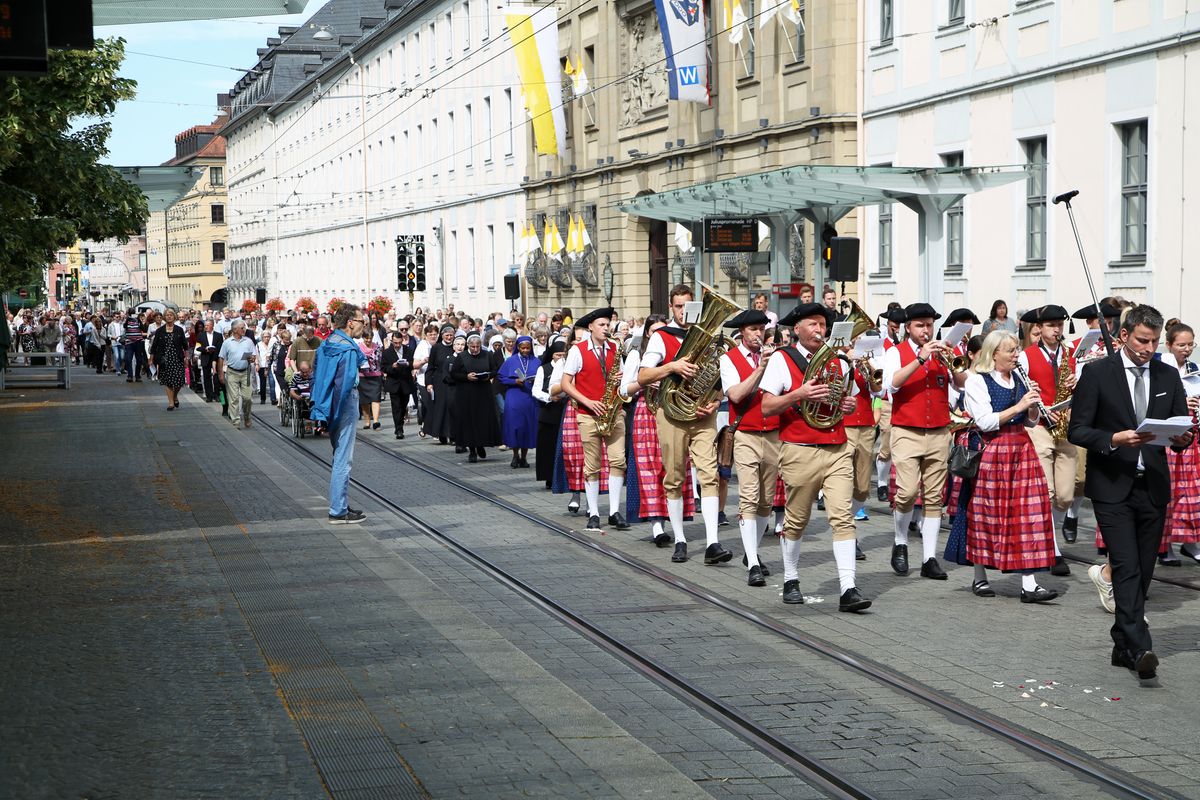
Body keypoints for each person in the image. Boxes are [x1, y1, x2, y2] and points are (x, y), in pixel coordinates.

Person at [1069, 305, 1193, 683]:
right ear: (1123, 336)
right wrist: (1112, 439)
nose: (1149, 348)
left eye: (1155, 341)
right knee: (1125, 566)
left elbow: (1178, 432)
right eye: (1142, 340)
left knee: (1143, 570)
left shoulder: (1168, 374)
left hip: (1152, 485)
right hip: (1112, 485)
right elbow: (1077, 430)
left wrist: (1185, 437)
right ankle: (1140, 646)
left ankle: (1122, 645)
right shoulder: (1097, 374)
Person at [760, 302, 871, 612]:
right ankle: (791, 578)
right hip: (799, 449)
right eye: (813, 324)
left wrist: (846, 406)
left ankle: (848, 587)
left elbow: (842, 401)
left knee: (843, 517)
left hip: (836, 446)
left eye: (823, 325)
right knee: (796, 519)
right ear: (797, 329)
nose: (820, 330)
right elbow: (768, 407)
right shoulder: (783, 359)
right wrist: (799, 395)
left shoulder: (839, 362)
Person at [957, 330, 1059, 602]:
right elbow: (986, 421)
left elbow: (1030, 423)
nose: (1016, 354)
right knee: (987, 514)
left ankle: (1029, 584)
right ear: (994, 354)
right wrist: (1020, 405)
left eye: (1016, 349)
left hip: (1022, 449)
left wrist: (1035, 406)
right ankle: (980, 576)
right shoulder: (978, 381)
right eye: (1011, 350)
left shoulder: (1020, 379)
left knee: (1028, 514)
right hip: (994, 451)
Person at [638, 284, 731, 565]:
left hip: (702, 415)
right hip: (671, 415)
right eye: (678, 306)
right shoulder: (661, 338)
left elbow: (721, 377)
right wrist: (673, 367)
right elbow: (643, 376)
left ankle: (713, 542)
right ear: (672, 308)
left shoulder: (710, 339)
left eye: (688, 306)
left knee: (710, 475)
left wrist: (716, 401)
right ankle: (680, 538)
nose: (683, 311)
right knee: (675, 478)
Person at [881, 303, 969, 580]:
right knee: (906, 493)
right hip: (907, 430)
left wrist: (952, 361)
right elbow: (891, 384)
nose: (926, 330)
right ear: (908, 327)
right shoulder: (896, 352)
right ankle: (900, 541)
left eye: (929, 325)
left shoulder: (943, 352)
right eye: (920, 325)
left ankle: (930, 558)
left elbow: (963, 383)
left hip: (939, 430)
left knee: (934, 497)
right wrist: (920, 359)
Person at [718, 308, 779, 587]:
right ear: (742, 332)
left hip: (774, 434)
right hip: (745, 434)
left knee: (767, 501)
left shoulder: (776, 355)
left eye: (762, 329)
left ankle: (750, 552)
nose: (759, 334)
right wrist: (761, 369)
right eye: (753, 329)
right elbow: (736, 395)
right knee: (749, 498)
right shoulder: (728, 359)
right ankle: (753, 563)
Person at [1017, 305, 1077, 567]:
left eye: (1060, 325)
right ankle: (1053, 549)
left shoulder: (1072, 354)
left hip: (1065, 428)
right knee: (1047, 491)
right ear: (1039, 328)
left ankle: (1048, 537)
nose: (1057, 329)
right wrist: (1039, 406)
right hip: (1039, 427)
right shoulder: (1026, 356)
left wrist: (1078, 383)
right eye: (1051, 325)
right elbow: (1022, 390)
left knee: (1065, 495)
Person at [561, 308, 629, 531]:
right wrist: (588, 402)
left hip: (613, 412)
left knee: (618, 461)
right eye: (601, 325)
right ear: (590, 327)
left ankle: (614, 511)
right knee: (592, 466)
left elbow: (624, 382)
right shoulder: (578, 351)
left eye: (608, 325)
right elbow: (565, 384)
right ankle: (593, 512)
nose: (606, 328)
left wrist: (621, 380)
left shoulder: (615, 348)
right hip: (588, 414)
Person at [310, 305, 369, 523]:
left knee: (339, 456)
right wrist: (334, 413)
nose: (364, 325)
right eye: (362, 321)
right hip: (343, 404)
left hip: (328, 404)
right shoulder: (348, 349)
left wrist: (322, 411)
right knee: (344, 459)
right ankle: (338, 510)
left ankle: (341, 503)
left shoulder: (327, 343)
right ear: (351, 322)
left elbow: (318, 376)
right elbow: (343, 386)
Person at [1160, 322, 1200, 564]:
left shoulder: (1194, 368)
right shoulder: (1162, 368)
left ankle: (1190, 541)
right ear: (1169, 345)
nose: (1187, 349)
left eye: (1190, 344)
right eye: (1181, 345)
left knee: (1191, 494)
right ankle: (1165, 547)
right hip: (1169, 438)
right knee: (1169, 493)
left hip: (1191, 437)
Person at [450, 332, 502, 463]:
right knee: (469, 422)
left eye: (477, 347)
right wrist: (466, 377)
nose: (474, 349)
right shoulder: (462, 357)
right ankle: (472, 450)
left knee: (482, 421)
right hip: (466, 394)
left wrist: (488, 376)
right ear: (468, 346)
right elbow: (454, 373)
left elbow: (495, 370)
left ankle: (481, 445)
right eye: (472, 347)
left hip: (483, 393)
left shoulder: (487, 355)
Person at [498, 334, 539, 470]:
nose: (525, 350)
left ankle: (524, 457)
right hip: (514, 396)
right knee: (515, 427)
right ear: (518, 347)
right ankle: (515, 455)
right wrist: (514, 381)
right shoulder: (511, 361)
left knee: (527, 427)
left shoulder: (536, 361)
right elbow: (501, 377)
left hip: (529, 398)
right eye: (523, 348)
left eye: (528, 348)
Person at [533, 340, 568, 488]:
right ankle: (548, 477)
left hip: (564, 410)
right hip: (548, 411)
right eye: (557, 355)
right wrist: (548, 397)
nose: (560, 358)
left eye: (562, 355)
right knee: (547, 447)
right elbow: (535, 390)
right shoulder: (544, 369)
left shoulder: (568, 368)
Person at [217, 320, 258, 429]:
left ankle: (247, 416)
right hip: (232, 373)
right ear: (235, 330)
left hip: (246, 372)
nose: (244, 330)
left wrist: (252, 358)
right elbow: (221, 358)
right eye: (242, 328)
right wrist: (220, 374)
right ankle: (235, 421)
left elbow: (254, 356)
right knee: (233, 398)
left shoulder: (248, 341)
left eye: (244, 328)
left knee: (248, 398)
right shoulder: (227, 342)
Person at [422, 324, 457, 443]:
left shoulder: (456, 347)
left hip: (453, 381)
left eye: (451, 335)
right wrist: (429, 383)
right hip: (439, 382)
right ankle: (441, 433)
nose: (449, 338)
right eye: (447, 335)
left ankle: (452, 434)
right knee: (441, 408)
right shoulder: (436, 348)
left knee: (452, 408)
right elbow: (430, 367)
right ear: (442, 335)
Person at [149, 309, 189, 411]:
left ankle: (175, 396)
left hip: (177, 358)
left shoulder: (179, 330)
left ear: (174, 317)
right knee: (167, 381)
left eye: (171, 315)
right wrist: (151, 359)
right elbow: (154, 346)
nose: (169, 317)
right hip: (164, 359)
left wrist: (186, 358)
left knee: (179, 381)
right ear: (164, 317)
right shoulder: (160, 331)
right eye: (167, 315)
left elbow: (185, 345)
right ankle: (171, 403)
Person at [381, 329, 418, 439]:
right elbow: (383, 367)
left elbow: (413, 363)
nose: (397, 345)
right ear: (391, 341)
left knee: (403, 405)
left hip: (406, 382)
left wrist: (408, 364)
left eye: (399, 342)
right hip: (394, 383)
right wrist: (392, 367)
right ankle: (399, 429)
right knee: (396, 406)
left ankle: (400, 423)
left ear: (402, 341)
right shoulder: (387, 352)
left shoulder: (408, 350)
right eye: (395, 343)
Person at [357, 329, 383, 430]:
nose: (368, 340)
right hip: (362, 376)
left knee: (376, 398)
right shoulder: (358, 347)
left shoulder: (377, 347)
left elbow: (381, 359)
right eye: (366, 338)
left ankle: (376, 421)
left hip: (375, 375)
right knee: (364, 400)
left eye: (370, 338)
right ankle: (367, 421)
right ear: (363, 338)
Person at [197, 320, 223, 401]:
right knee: (206, 378)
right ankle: (209, 396)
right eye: (205, 325)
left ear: (212, 325)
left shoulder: (218, 335)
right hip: (205, 358)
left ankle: (217, 395)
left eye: (208, 325)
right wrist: (205, 349)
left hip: (216, 358)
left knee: (216, 378)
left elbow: (220, 348)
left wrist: (215, 358)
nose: (206, 327)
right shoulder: (201, 335)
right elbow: (198, 347)